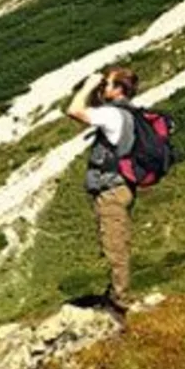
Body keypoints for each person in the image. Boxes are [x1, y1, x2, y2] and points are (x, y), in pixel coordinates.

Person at [64, 67, 138, 320]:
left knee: (114, 245)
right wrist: (98, 89)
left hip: (111, 190)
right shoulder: (128, 113)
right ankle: (117, 293)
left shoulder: (112, 115)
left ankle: (121, 302)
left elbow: (73, 111)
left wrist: (87, 87)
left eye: (108, 84)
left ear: (119, 89)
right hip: (122, 186)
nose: (103, 87)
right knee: (119, 241)